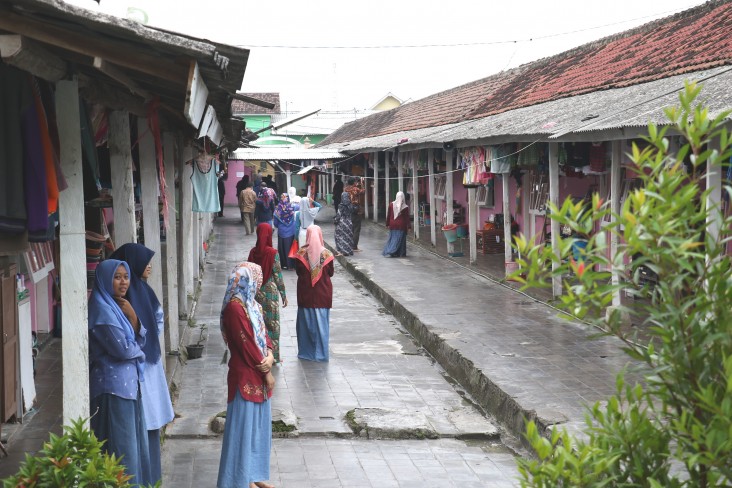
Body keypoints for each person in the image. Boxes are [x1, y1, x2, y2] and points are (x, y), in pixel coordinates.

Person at [109, 243, 174, 485]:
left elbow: (157, 323)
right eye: (144, 261)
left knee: (148, 427)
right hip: (132, 373)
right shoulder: (118, 299)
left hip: (147, 368)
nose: (149, 267)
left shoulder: (144, 293)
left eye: (126, 276)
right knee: (139, 428)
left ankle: (151, 479)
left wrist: (138, 326)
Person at [88, 259, 151, 487]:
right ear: (106, 279)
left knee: (132, 446)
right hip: (112, 389)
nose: (123, 282)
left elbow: (139, 339)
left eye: (126, 276)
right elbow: (124, 349)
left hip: (128, 387)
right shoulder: (102, 311)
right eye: (117, 277)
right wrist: (139, 352)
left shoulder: (119, 305)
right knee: (121, 449)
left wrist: (133, 317)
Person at [217, 262, 276, 488]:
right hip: (245, 376)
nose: (258, 285)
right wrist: (267, 372)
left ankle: (251, 477)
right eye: (256, 280)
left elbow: (264, 335)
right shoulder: (234, 308)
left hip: (258, 373)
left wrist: (270, 355)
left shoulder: (252, 305)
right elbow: (246, 344)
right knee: (242, 432)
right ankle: (238, 480)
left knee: (256, 431)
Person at [292, 225, 334, 362]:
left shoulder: (300, 254)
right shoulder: (327, 254)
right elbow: (331, 273)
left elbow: (298, 272)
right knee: (322, 327)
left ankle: (306, 352)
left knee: (305, 326)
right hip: (323, 295)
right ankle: (321, 354)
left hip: (306, 296)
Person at [248, 223, 288, 363]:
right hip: (270, 293)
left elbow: (249, 274)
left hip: (256, 293)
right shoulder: (273, 253)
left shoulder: (253, 252)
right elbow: (277, 275)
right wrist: (283, 294)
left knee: (257, 323)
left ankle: (259, 354)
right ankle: (274, 356)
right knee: (272, 324)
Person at [383, 191, 410, 257]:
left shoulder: (391, 205)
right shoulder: (405, 207)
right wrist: (409, 227)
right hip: (401, 226)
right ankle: (399, 253)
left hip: (392, 225)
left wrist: (387, 224)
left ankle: (391, 251)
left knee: (393, 239)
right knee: (401, 240)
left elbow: (388, 215)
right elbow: (407, 218)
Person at [273, 193, 297, 270]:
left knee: (282, 248)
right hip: (291, 232)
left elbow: (275, 224)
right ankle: (291, 265)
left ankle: (283, 264)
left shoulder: (277, 210)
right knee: (290, 248)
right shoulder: (293, 207)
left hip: (281, 232)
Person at [344, 177, 366, 251]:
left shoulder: (346, 189)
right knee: (356, 229)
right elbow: (363, 192)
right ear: (354, 182)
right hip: (356, 211)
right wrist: (362, 183)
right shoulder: (355, 189)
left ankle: (349, 244)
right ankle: (354, 247)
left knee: (350, 228)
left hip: (348, 211)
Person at [334, 191, 354, 257]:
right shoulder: (350, 205)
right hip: (349, 222)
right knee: (348, 237)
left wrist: (335, 221)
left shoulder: (341, 205)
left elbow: (338, 215)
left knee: (340, 236)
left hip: (342, 223)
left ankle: (342, 251)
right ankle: (349, 251)